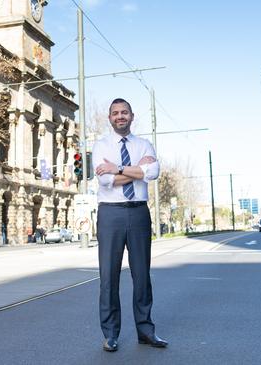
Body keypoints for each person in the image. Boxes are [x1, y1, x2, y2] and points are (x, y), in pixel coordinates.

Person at [92, 98, 166, 352]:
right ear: (109, 118)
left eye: (124, 112)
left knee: (142, 275)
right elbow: (105, 182)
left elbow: (153, 172)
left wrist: (119, 168)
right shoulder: (100, 145)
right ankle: (111, 334)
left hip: (138, 213)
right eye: (115, 113)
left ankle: (146, 331)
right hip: (110, 214)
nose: (120, 116)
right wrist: (137, 170)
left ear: (132, 116)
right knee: (109, 277)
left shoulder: (144, 143)